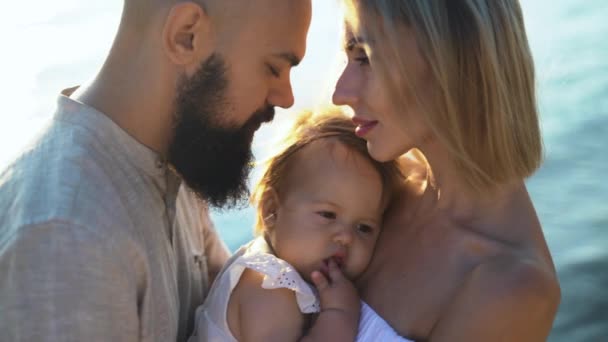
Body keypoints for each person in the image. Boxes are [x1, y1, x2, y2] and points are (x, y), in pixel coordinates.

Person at [0, 0, 311, 341]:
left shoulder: (179, 153)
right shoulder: (67, 238)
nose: (286, 98)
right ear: (186, 35)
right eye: (273, 68)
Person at [332, 0, 561, 341]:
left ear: (450, 60)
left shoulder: (511, 288)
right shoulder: (380, 183)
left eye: (365, 57)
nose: (341, 93)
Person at [188, 109, 403, 341]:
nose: (346, 237)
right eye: (328, 214)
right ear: (271, 210)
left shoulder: (285, 276)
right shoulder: (268, 288)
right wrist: (340, 314)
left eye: (364, 228)